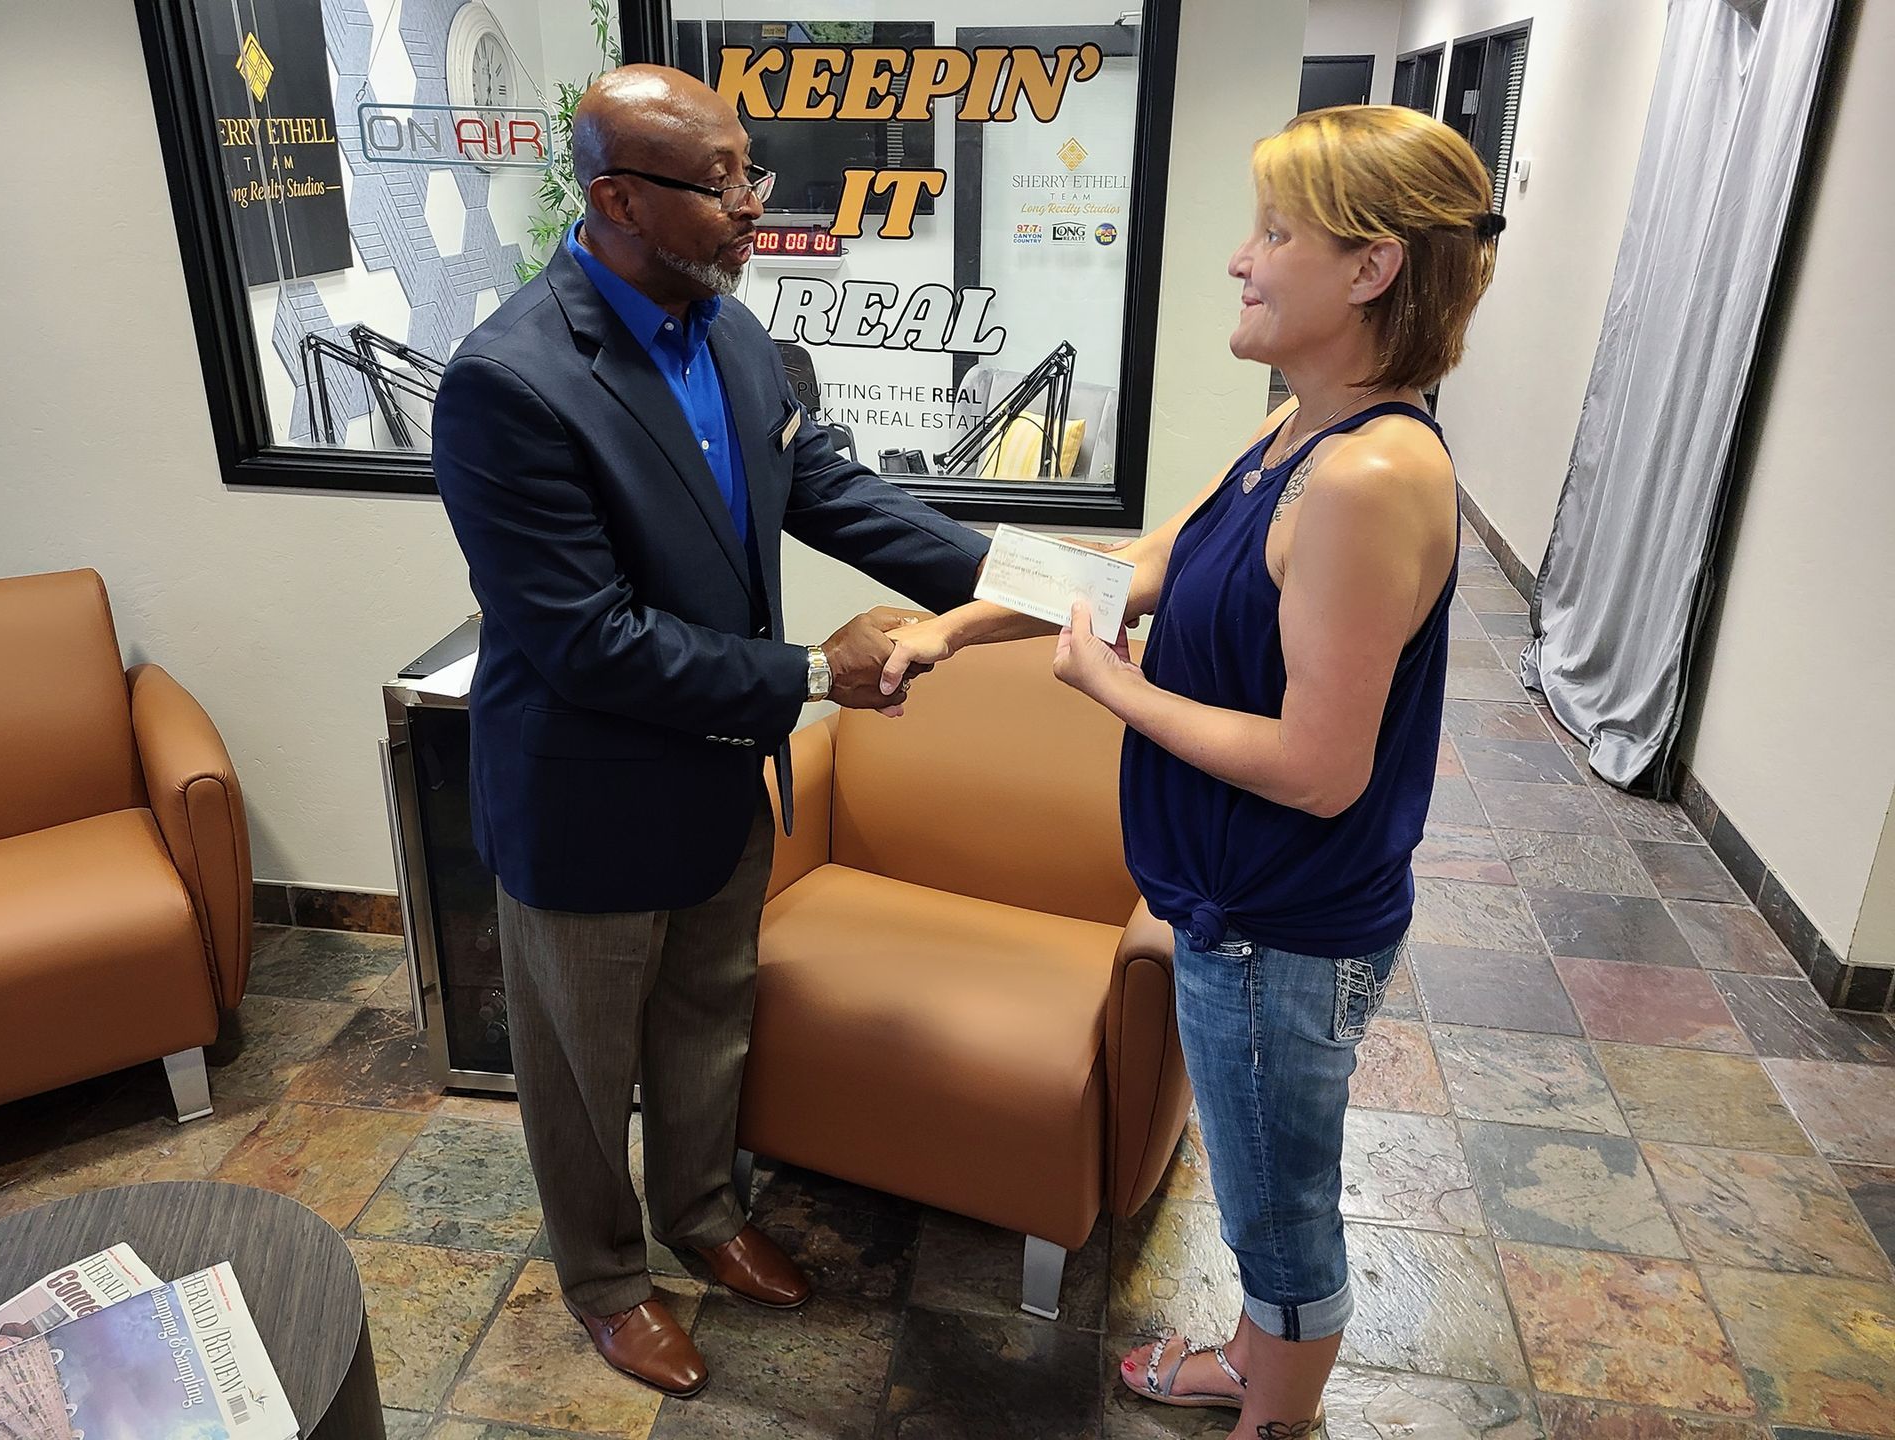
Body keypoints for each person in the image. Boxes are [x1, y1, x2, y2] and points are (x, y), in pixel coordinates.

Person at [880, 105, 1501, 1439]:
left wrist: (1116, 687)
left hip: (1281, 932)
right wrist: (950, 627)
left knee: (1279, 1207)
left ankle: (1276, 1416)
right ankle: (1256, 1365)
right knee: (1264, 1179)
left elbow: (1319, 770)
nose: (1242, 258)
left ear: (1371, 268)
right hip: (1233, 913)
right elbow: (1119, 572)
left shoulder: (1364, 477)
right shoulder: (1293, 433)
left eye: (1277, 231)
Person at [432, 65, 988, 1401]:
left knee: (708, 1024)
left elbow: (837, 492)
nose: (755, 205)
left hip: (721, 788)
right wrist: (812, 672)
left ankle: (700, 1213)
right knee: (580, 1071)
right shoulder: (510, 383)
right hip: (584, 802)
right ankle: (610, 1282)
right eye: (724, 180)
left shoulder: (735, 332)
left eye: (753, 172)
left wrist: (1030, 592)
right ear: (617, 198)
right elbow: (588, 640)